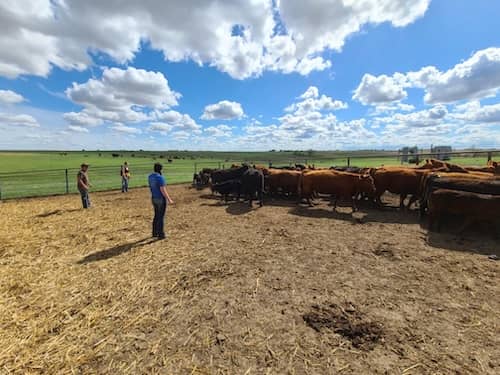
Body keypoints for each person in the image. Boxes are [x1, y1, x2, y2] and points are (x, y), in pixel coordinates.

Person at [148, 163, 174, 239]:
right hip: (160, 199)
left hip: (154, 198)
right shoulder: (160, 177)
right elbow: (163, 190)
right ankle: (161, 234)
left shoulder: (150, 176)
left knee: (156, 215)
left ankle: (154, 232)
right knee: (161, 216)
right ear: (160, 169)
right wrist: (169, 199)